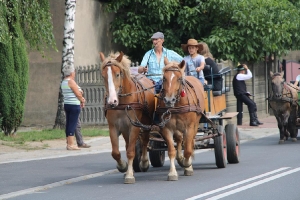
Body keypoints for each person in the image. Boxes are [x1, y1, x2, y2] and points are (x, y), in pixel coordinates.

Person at [61, 63, 85, 150]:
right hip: (74, 105)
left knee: (68, 124)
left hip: (67, 104)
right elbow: (77, 93)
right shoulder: (71, 81)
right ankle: (71, 144)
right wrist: (82, 100)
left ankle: (68, 143)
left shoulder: (64, 81)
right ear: (71, 73)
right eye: (74, 71)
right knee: (72, 124)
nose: (75, 73)